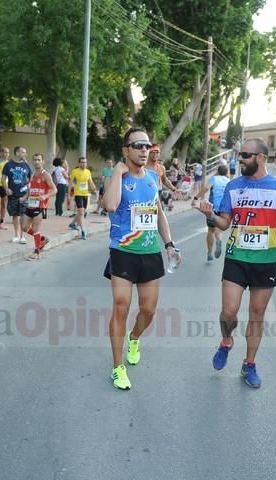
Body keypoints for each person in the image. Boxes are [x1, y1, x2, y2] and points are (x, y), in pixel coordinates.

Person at [194, 137, 276, 388]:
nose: (240, 159)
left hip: (265, 261)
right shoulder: (233, 186)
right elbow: (224, 223)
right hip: (236, 258)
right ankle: (226, 341)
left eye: (245, 155)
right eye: (239, 155)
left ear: (261, 158)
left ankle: (249, 364)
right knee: (229, 311)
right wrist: (210, 216)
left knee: (257, 313)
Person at [103, 127, 180, 391]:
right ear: (126, 150)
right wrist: (116, 172)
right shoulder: (117, 178)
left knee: (148, 310)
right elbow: (111, 206)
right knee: (121, 305)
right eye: (138, 145)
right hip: (123, 251)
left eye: (147, 146)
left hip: (149, 252)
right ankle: (117, 368)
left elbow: (158, 213)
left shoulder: (151, 179)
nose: (144, 150)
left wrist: (169, 244)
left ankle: (134, 337)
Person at [194, 163, 231, 262]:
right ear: (226, 172)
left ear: (218, 171)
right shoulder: (229, 181)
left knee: (210, 230)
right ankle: (218, 239)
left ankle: (209, 253)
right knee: (219, 229)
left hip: (212, 208)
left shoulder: (214, 179)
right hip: (225, 209)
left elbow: (206, 188)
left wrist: (196, 197)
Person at [23, 154, 56, 261]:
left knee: (36, 228)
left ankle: (37, 253)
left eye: (39, 160)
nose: (36, 162)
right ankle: (42, 239)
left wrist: (45, 196)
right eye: (35, 160)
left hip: (40, 205)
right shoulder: (32, 174)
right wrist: (25, 197)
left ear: (43, 162)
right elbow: (30, 189)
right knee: (24, 227)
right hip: (30, 204)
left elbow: (55, 190)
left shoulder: (46, 175)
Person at [2, 146, 32, 244]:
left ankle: (22, 236)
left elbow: (30, 181)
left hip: (23, 194)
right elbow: (3, 178)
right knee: (15, 215)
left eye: (25, 152)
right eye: (23, 152)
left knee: (23, 214)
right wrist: (6, 188)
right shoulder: (8, 165)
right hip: (13, 194)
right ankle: (16, 235)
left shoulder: (27, 166)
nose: (25, 154)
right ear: (17, 153)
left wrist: (27, 194)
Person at [68, 156, 96, 240]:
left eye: (85, 162)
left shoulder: (88, 172)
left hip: (85, 194)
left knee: (82, 212)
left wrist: (95, 190)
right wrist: (68, 195)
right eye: (82, 162)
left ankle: (72, 223)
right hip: (78, 194)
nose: (84, 164)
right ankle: (83, 230)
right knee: (81, 212)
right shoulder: (75, 172)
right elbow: (70, 184)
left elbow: (90, 182)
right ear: (79, 163)